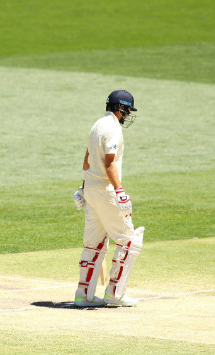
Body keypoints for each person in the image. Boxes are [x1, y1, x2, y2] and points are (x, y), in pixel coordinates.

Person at [72, 90, 145, 307]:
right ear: (120, 108)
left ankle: (83, 295)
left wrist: (83, 187)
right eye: (128, 111)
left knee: (93, 244)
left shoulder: (97, 125)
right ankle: (115, 294)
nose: (128, 115)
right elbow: (109, 163)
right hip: (106, 191)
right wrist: (120, 192)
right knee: (128, 241)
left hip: (92, 191)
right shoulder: (113, 129)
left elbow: (87, 159)